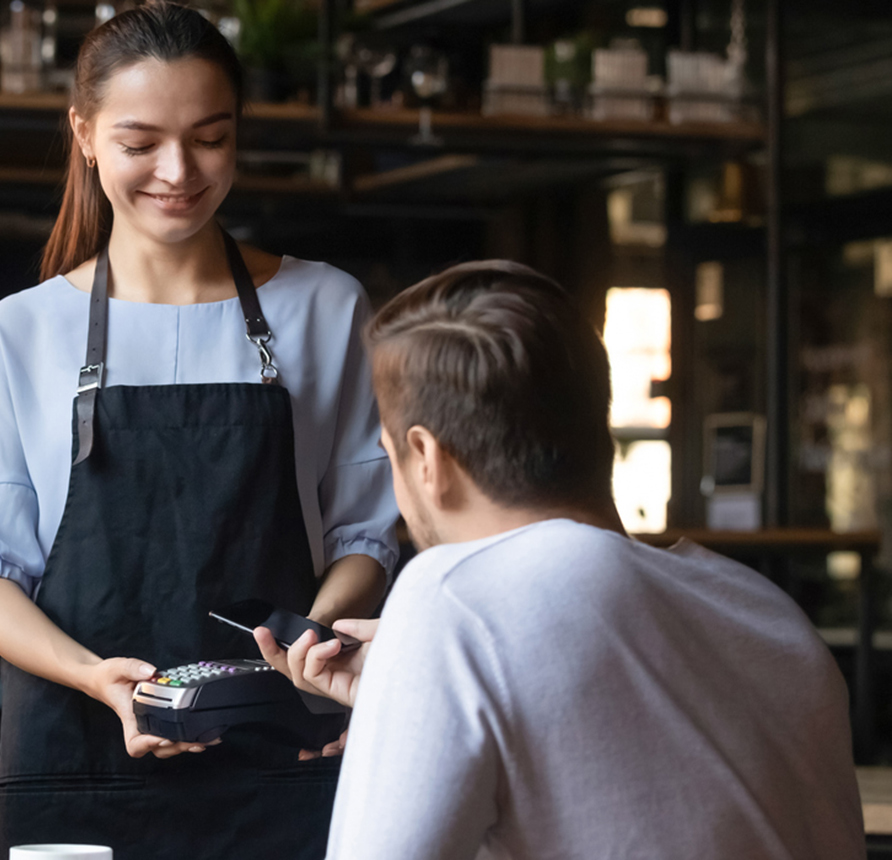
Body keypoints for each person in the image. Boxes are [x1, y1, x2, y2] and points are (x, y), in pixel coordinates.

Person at [0, 3, 399, 857]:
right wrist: (98, 681)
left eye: (210, 138)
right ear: (83, 133)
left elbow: (365, 532)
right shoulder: (18, 332)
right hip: (77, 767)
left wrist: (297, 648)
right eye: (140, 141)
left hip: (282, 759)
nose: (179, 171)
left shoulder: (326, 306)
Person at [258, 260, 865, 859]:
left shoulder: (450, 598)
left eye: (389, 457)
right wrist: (415, 693)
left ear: (425, 458)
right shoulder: (764, 610)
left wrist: (427, 668)